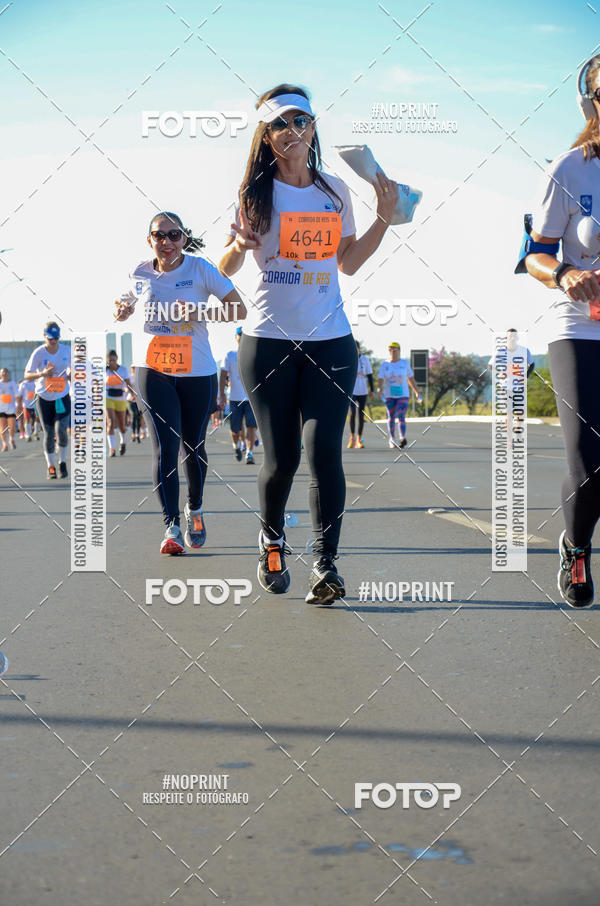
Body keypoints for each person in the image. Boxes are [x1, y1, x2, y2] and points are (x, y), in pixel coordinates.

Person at [219, 83, 399, 603]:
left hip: (330, 341)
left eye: (301, 120)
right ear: (267, 135)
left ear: (314, 127)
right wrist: (237, 244)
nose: (292, 131)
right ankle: (272, 539)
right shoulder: (256, 193)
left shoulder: (335, 191)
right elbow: (227, 268)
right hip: (270, 342)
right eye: (280, 123)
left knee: (325, 453)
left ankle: (326, 566)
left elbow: (347, 261)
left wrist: (384, 217)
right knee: (282, 460)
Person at [115, 211, 245, 554]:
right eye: (160, 235)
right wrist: (122, 310)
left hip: (197, 371)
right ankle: (170, 526)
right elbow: (125, 303)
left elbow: (238, 310)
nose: (167, 242)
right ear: (150, 240)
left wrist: (202, 313)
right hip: (152, 369)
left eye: (174, 235)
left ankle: (195, 508)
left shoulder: (201, 269)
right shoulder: (141, 272)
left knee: (193, 446)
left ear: (184, 239)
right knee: (165, 448)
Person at [520, 53, 600, 608]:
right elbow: (535, 255)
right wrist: (566, 273)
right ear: (591, 101)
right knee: (589, 458)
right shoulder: (569, 169)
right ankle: (576, 546)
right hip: (580, 329)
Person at [24, 323, 71, 478]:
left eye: (56, 338)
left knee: (61, 430)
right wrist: (42, 374)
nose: (54, 341)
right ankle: (50, 466)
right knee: (49, 433)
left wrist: (71, 373)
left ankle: (62, 462)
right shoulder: (38, 353)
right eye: (51, 338)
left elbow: (76, 369)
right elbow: (27, 375)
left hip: (62, 396)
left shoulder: (66, 351)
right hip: (44, 398)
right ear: (45, 336)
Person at [219, 327, 258, 464]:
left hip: (251, 399)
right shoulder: (229, 355)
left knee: (251, 427)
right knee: (235, 429)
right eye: (239, 335)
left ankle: (249, 453)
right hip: (235, 398)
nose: (242, 337)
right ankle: (236, 446)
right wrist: (222, 394)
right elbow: (223, 375)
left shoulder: (254, 353)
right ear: (236, 337)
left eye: (244, 335)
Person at [378, 342, 422, 449]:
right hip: (389, 394)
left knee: (401, 414)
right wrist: (379, 390)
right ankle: (392, 438)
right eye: (390, 349)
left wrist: (417, 392)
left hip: (403, 394)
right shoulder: (385, 364)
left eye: (394, 349)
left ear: (399, 350)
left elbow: (410, 379)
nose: (392, 351)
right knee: (391, 416)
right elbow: (380, 379)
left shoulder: (404, 363)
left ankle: (402, 437)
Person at [105, 350, 133, 456]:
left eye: (114, 360)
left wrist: (130, 392)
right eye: (110, 361)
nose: (112, 362)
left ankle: (123, 442)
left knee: (122, 424)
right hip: (108, 397)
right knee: (111, 422)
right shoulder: (104, 371)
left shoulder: (123, 370)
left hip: (120, 398)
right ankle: (111, 448)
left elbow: (128, 384)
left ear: (117, 359)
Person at [348, 340, 374, 449]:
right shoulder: (348, 358)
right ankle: (352, 437)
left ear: (359, 349)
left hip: (363, 391)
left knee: (361, 414)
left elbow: (370, 376)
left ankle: (359, 439)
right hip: (352, 390)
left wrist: (372, 390)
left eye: (356, 348)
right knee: (352, 413)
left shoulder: (365, 359)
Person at [0, 368, 19, 451]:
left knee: (12, 426)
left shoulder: (13, 383)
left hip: (11, 408)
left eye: (5, 372)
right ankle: (4, 444)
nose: (4, 374)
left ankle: (11, 438)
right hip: (1, 408)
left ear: (8, 373)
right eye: (2, 372)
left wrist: (18, 405)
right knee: (2, 427)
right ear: (0, 374)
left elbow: (17, 395)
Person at [18, 377, 38, 441]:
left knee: (38, 419)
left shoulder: (36, 382)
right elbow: (20, 395)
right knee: (27, 419)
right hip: (26, 405)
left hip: (35, 404)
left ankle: (36, 432)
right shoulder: (23, 384)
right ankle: (28, 435)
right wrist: (19, 405)